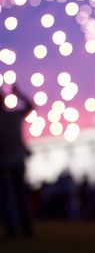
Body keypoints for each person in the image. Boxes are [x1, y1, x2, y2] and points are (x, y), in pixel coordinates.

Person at [0, 85, 34, 238]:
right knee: (21, 196)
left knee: (7, 198)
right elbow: (30, 106)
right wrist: (18, 93)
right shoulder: (14, 116)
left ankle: (13, 230)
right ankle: (27, 230)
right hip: (18, 161)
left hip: (4, 163)